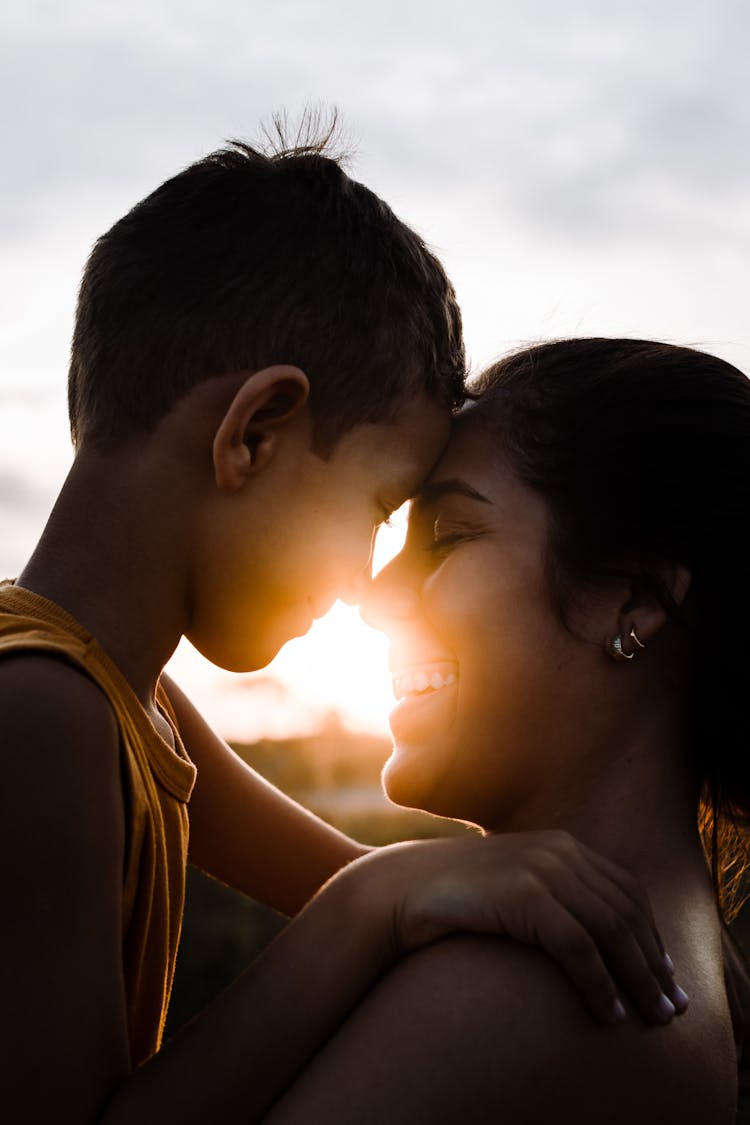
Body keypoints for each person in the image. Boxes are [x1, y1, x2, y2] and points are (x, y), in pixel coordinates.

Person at [0, 131, 682, 1123]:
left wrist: (561, 914)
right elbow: (366, 894)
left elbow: (357, 876)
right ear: (257, 432)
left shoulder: (127, 706)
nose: (367, 583)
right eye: (375, 509)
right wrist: (373, 907)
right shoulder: (40, 716)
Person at [251, 337, 744, 1123]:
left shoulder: (512, 992)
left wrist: (363, 899)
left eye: (446, 534)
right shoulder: (667, 948)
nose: (375, 597)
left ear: (634, 599)